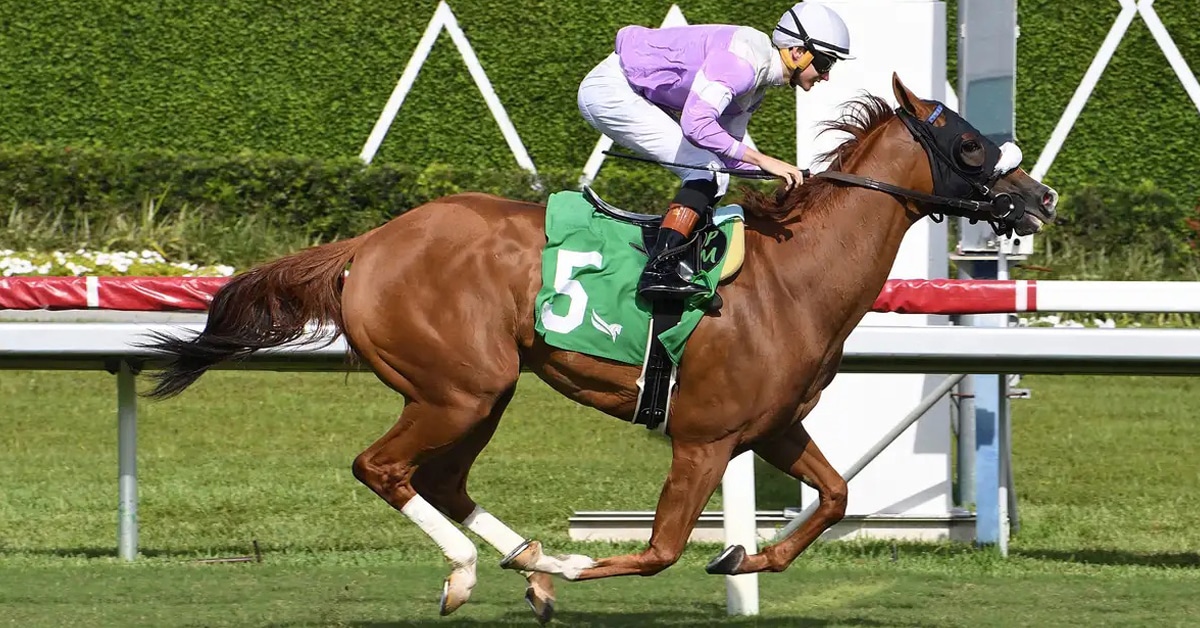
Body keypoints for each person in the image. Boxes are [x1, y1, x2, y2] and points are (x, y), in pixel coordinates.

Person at [577, 2, 853, 300]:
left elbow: (726, 154)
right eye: (825, 63)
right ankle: (660, 269)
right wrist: (763, 160)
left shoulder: (756, 84)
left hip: (629, 90)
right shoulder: (742, 66)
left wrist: (786, 173)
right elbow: (696, 125)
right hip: (611, 91)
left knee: (715, 173)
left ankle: (679, 258)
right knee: (706, 170)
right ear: (797, 52)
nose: (826, 76)